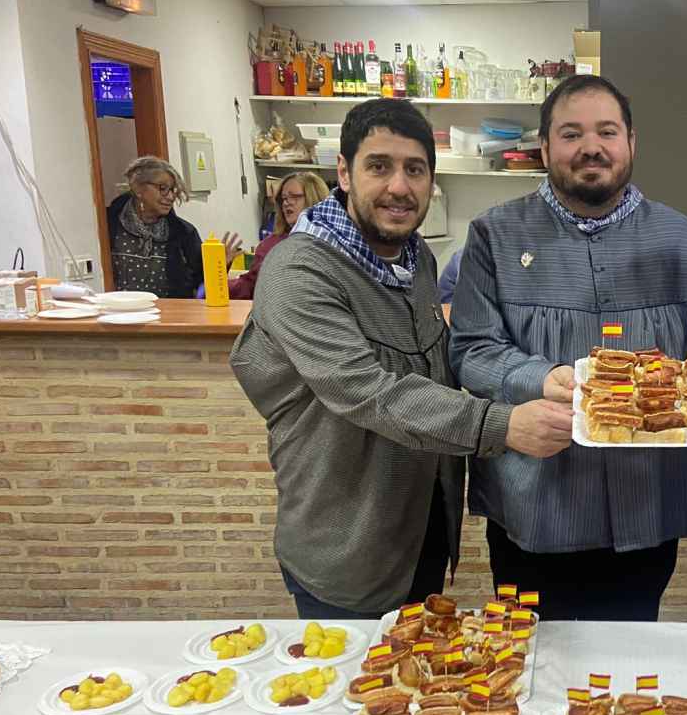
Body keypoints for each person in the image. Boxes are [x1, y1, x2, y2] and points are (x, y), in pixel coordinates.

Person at [230, 99, 573, 620]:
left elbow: (436, 367)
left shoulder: (416, 261)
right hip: (347, 546)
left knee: (412, 687)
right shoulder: (299, 271)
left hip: (421, 531)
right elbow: (369, 391)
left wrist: (537, 375)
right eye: (378, 166)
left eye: (415, 169)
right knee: (359, 694)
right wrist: (502, 425)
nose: (399, 186)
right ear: (343, 172)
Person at [449, 74, 687, 621]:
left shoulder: (679, 238)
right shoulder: (494, 236)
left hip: (646, 507)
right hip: (536, 502)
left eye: (607, 132)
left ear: (631, 143)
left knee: (631, 661)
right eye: (571, 134)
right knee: (534, 661)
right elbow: (471, 350)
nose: (591, 147)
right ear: (544, 148)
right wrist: (540, 377)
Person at [106, 156, 241, 296]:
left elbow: (202, 289)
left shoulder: (184, 232)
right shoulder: (108, 224)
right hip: (118, 314)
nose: (170, 197)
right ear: (138, 188)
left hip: (170, 313)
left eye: (173, 190)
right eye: (162, 188)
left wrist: (218, 267)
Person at [229, 171, 329, 299]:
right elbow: (249, 286)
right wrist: (219, 270)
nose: (287, 203)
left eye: (294, 196)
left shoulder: (332, 241)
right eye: (284, 198)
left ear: (314, 198)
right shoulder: (270, 245)